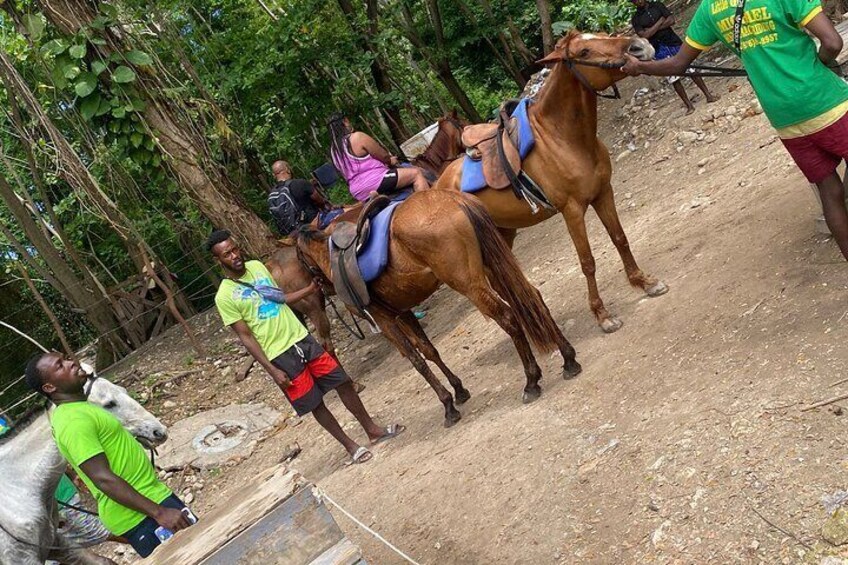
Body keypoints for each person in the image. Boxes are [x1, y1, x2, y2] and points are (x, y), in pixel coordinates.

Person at [622, 0, 848, 260]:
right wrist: (818, 64)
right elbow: (832, 42)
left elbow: (677, 65)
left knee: (829, 191)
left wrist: (639, 67)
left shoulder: (709, 9)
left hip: (784, 117)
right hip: (824, 99)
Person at [207, 229, 404, 464]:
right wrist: (272, 370)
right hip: (279, 353)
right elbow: (246, 336)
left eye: (235, 249)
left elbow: (279, 299)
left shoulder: (257, 268)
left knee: (343, 382)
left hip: (302, 338)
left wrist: (309, 291)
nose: (234, 256)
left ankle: (372, 430)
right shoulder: (225, 296)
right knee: (315, 402)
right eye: (227, 254)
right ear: (218, 260)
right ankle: (350, 446)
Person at [24, 352, 195, 559]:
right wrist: (159, 512)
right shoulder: (72, 422)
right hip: (142, 515)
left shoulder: (80, 408)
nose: (71, 363)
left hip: (150, 500)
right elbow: (102, 479)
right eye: (60, 366)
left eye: (66, 358)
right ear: (50, 387)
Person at [631, 0, 719, 114]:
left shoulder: (657, 5)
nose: (638, 1)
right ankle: (689, 106)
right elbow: (644, 35)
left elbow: (671, 20)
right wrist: (660, 22)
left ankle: (708, 95)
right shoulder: (636, 18)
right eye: (635, 1)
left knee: (691, 69)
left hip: (673, 42)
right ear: (632, 3)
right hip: (658, 48)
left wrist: (651, 29)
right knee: (673, 78)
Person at [327, 113, 428, 202]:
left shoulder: (334, 151)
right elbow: (383, 156)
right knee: (416, 173)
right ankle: (428, 207)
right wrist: (390, 161)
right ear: (345, 122)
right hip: (376, 180)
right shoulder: (356, 137)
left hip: (357, 191)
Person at [270, 160, 343, 232]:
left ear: (274, 175)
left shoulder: (272, 194)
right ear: (287, 169)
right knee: (343, 213)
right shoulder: (300, 183)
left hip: (294, 232)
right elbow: (320, 201)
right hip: (313, 224)